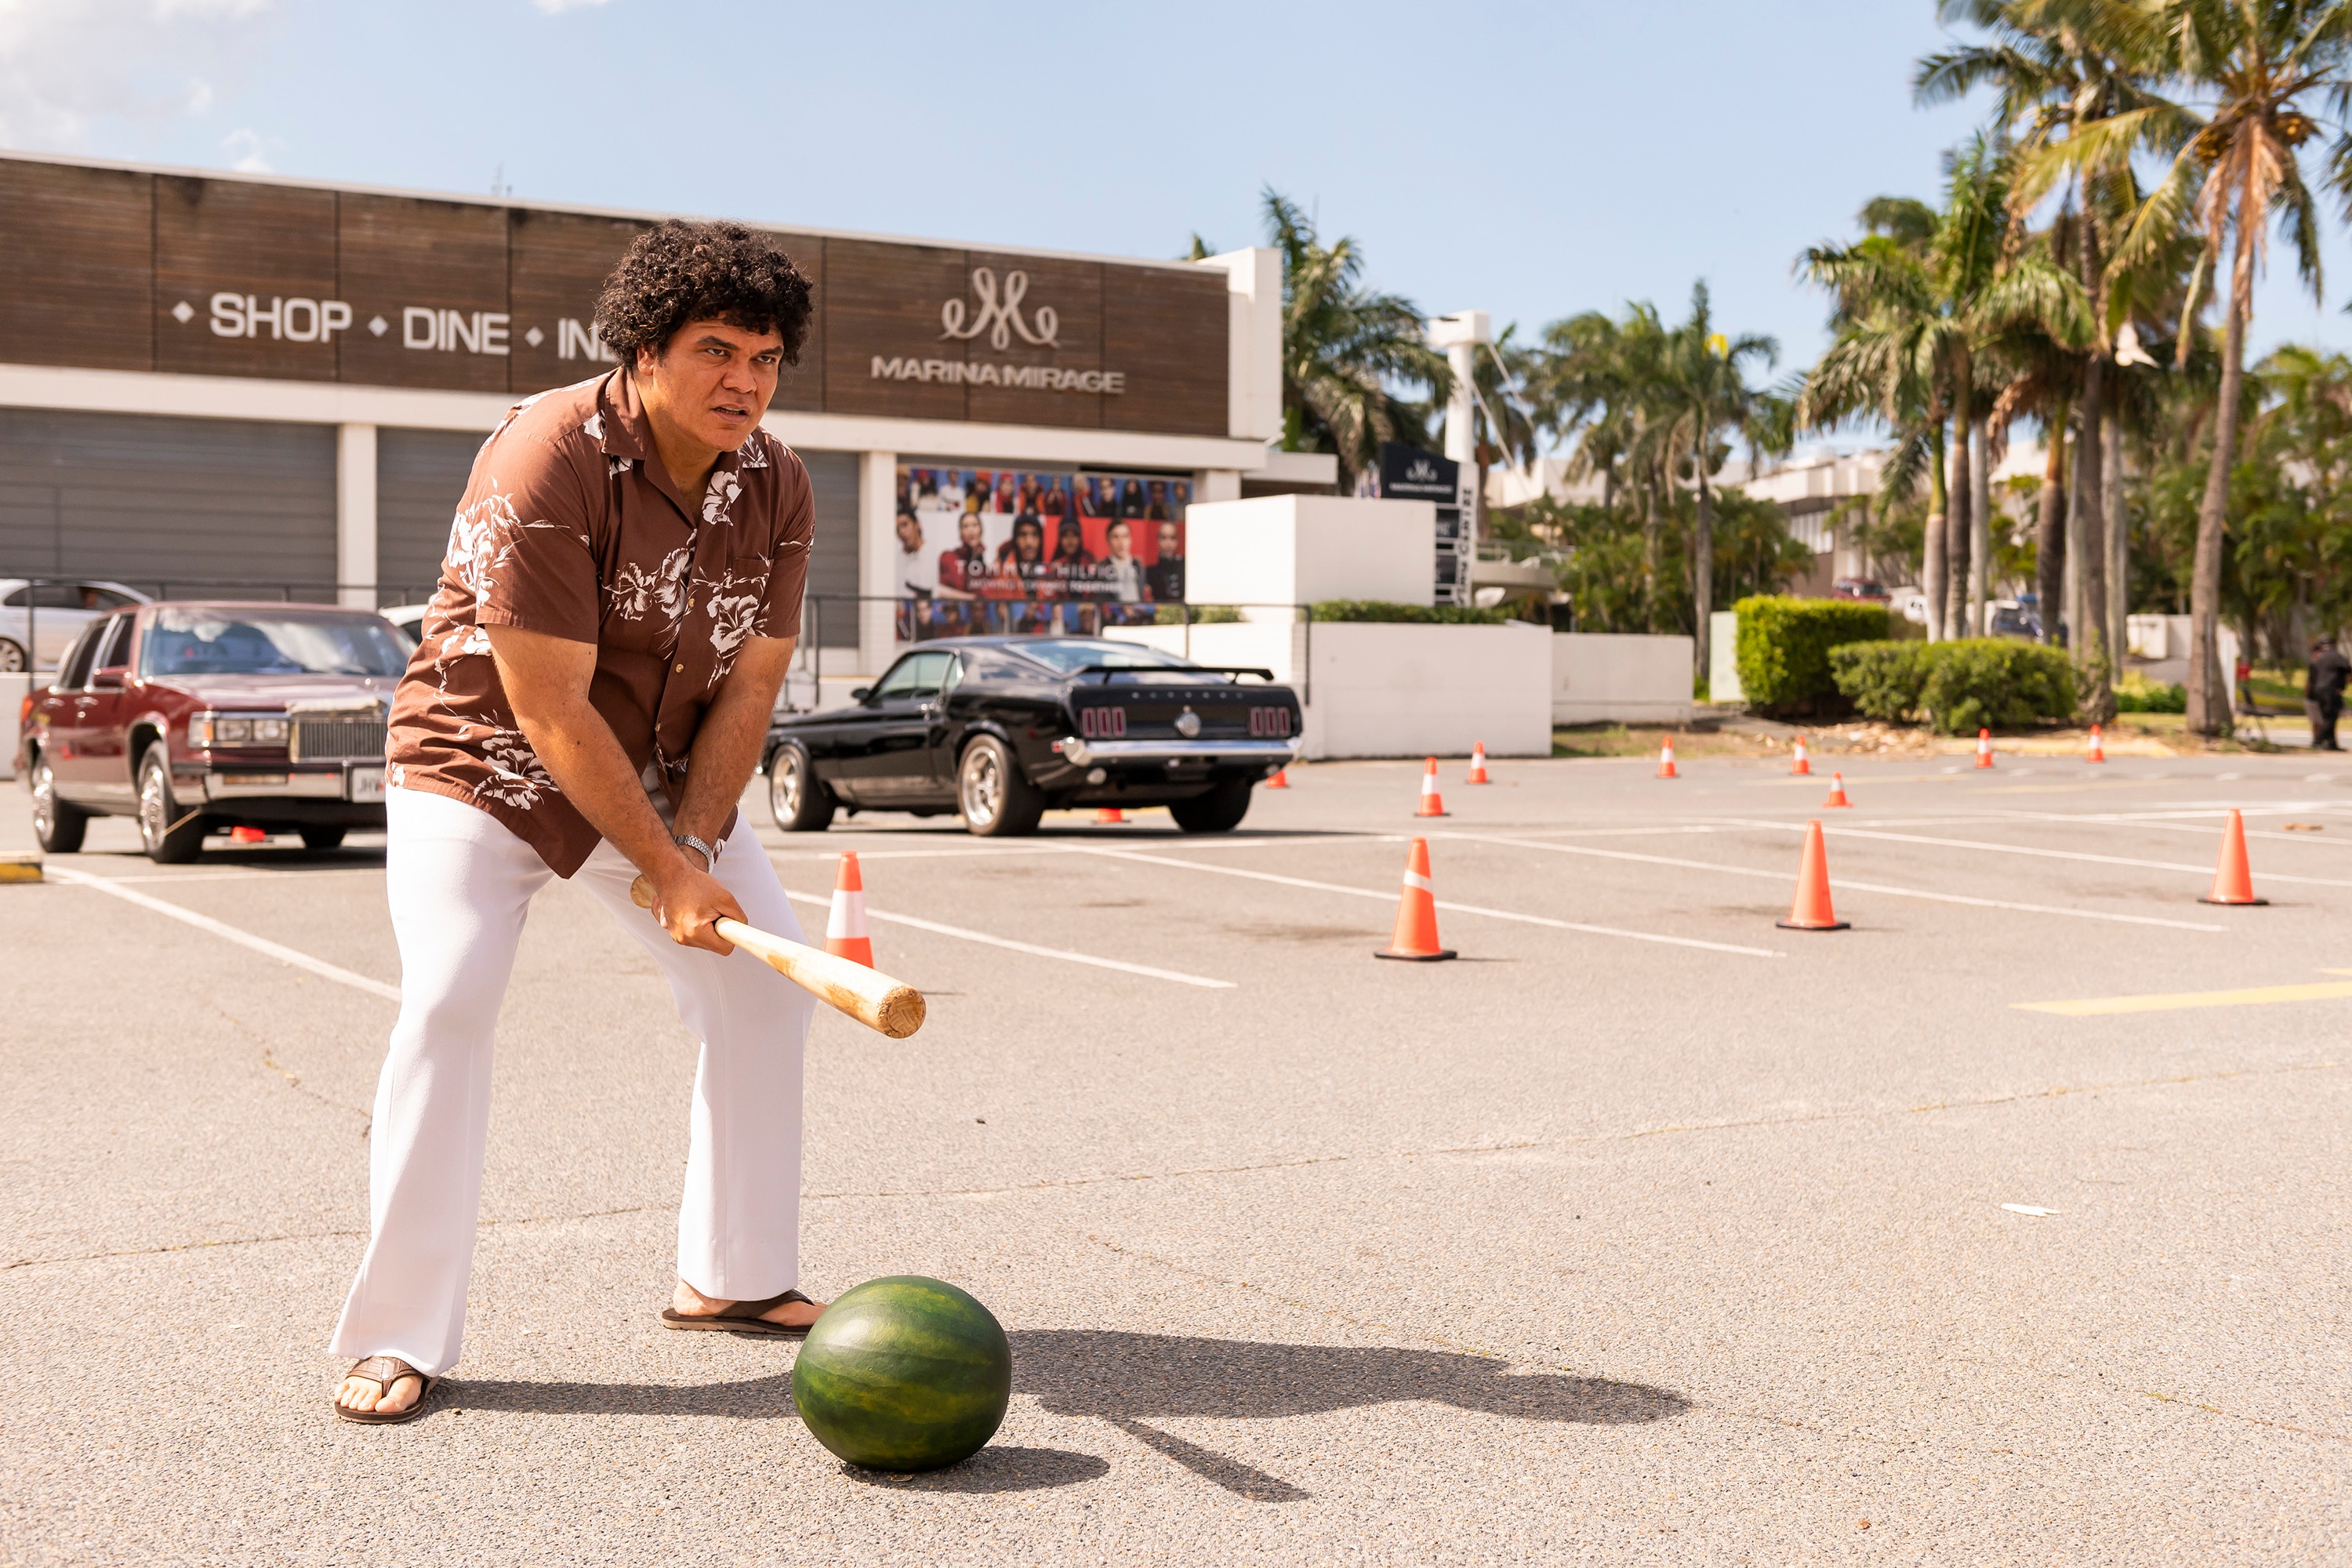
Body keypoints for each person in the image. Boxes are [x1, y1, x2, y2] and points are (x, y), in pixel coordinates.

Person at [328, 220, 825, 1424]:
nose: (744, 382)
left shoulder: (780, 483)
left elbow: (752, 682)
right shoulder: (545, 454)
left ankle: (734, 1278)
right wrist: (661, 866)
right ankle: (397, 1333)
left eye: (764, 359)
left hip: (657, 772)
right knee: (448, 998)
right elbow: (547, 708)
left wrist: (695, 854)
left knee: (764, 984)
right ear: (645, 351)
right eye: (716, 351)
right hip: (481, 760)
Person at [2307, 635, 2350, 750]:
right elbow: (2348, 669)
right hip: (2331, 691)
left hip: (2319, 691)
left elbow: (2313, 676)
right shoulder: (2336, 657)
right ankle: (2318, 740)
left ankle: (2332, 743)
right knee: (2330, 718)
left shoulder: (2319, 658)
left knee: (2326, 716)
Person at [937, 511, 989, 599]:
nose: (971, 530)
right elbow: (936, 589)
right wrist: (970, 598)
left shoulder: (984, 569)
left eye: (975, 525)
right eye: (966, 526)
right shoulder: (948, 558)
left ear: (981, 530)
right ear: (961, 532)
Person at [1099, 518, 1145, 603]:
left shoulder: (1139, 565)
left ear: (1130, 539)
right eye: (1116, 537)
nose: (1121, 542)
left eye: (1125, 536)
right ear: (1108, 540)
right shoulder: (1102, 567)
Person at [893, 507, 932, 601]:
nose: (902, 532)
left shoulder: (933, 554)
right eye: (898, 528)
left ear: (917, 524)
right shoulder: (896, 561)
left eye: (905, 525)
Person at [1145, 517, 1185, 604]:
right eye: (1164, 538)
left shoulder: (1185, 566)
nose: (1168, 543)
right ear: (1158, 540)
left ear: (1178, 540)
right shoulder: (1150, 571)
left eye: (1172, 538)